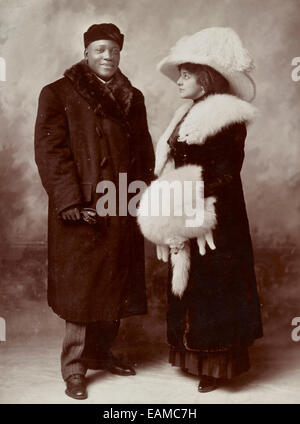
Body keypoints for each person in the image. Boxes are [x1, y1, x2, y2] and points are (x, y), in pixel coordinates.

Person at [34, 23, 154, 400]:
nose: (107, 56)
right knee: (83, 291)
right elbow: (51, 152)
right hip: (83, 208)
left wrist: (144, 193)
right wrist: (69, 202)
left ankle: (102, 352)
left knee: (113, 284)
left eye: (113, 50)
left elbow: (144, 151)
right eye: (100, 49)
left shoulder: (132, 96)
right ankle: (74, 368)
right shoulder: (58, 93)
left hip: (121, 203)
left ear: (120, 53)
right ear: (86, 52)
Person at [154, 27, 263, 392]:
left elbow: (227, 173)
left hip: (217, 212)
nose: (179, 81)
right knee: (190, 284)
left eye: (187, 74)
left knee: (215, 286)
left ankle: (216, 364)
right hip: (184, 207)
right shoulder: (186, 112)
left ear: (206, 79)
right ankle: (191, 355)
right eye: (180, 73)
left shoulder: (227, 116)